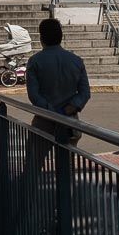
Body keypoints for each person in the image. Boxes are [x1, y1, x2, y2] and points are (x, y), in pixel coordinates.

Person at [26, 18, 90, 150]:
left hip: (44, 119)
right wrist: (71, 106)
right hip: (69, 119)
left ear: (41, 38)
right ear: (61, 36)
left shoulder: (35, 61)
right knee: (68, 162)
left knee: (34, 163)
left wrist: (50, 110)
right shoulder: (76, 61)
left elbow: (34, 94)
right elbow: (84, 93)